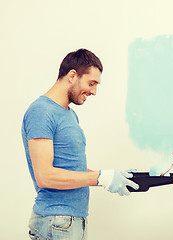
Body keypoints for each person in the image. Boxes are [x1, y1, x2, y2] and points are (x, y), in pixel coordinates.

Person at [21, 48, 139, 240]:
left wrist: (110, 178)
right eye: (91, 83)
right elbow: (45, 176)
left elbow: (71, 168)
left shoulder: (69, 114)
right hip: (55, 220)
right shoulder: (41, 112)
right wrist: (100, 177)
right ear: (72, 75)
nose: (94, 91)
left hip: (71, 221)